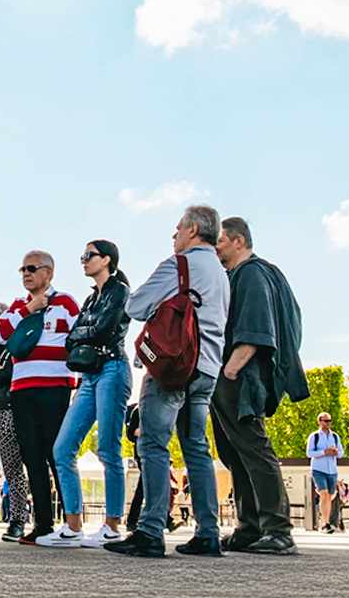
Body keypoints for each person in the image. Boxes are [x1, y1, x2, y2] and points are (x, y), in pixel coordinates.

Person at [107, 205, 230, 559]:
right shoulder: (222, 274)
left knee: (153, 444)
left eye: (177, 228)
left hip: (173, 366)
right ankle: (208, 532)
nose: (173, 235)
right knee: (196, 448)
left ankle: (150, 530)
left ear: (193, 229)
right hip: (207, 367)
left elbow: (136, 306)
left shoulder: (179, 265)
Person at [208, 217, 307, 555]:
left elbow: (255, 328)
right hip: (238, 374)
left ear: (237, 241)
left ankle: (277, 530)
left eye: (219, 240)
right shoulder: (248, 274)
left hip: (240, 376)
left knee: (254, 450)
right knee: (236, 454)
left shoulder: (251, 274)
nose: (215, 245)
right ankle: (249, 528)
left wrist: (231, 370)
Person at [44, 240, 132, 547]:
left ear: (107, 259)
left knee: (108, 448)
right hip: (89, 375)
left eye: (89, 256)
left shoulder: (119, 291)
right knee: (62, 448)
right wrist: (86, 331)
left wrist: (85, 331)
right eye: (82, 256)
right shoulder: (91, 298)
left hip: (113, 369)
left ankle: (111, 525)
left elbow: (104, 330)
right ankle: (73, 525)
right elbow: (73, 337)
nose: (83, 261)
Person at [0, 250, 80, 544]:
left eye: (32, 268)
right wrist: (29, 308)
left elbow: (80, 336)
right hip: (22, 391)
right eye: (22, 269)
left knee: (56, 454)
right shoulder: (18, 306)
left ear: (49, 272)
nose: (26, 273)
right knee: (31, 456)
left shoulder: (65, 303)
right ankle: (43, 523)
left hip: (55, 388)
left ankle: (72, 522)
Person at [307, 412, 344, 533]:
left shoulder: (335, 436)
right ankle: (325, 524)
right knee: (323, 494)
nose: (328, 423)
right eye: (325, 421)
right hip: (318, 469)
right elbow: (309, 453)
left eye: (329, 421)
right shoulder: (314, 436)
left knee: (329, 496)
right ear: (320, 422)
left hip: (332, 470)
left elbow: (342, 453)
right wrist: (324, 452)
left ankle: (327, 521)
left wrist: (336, 452)